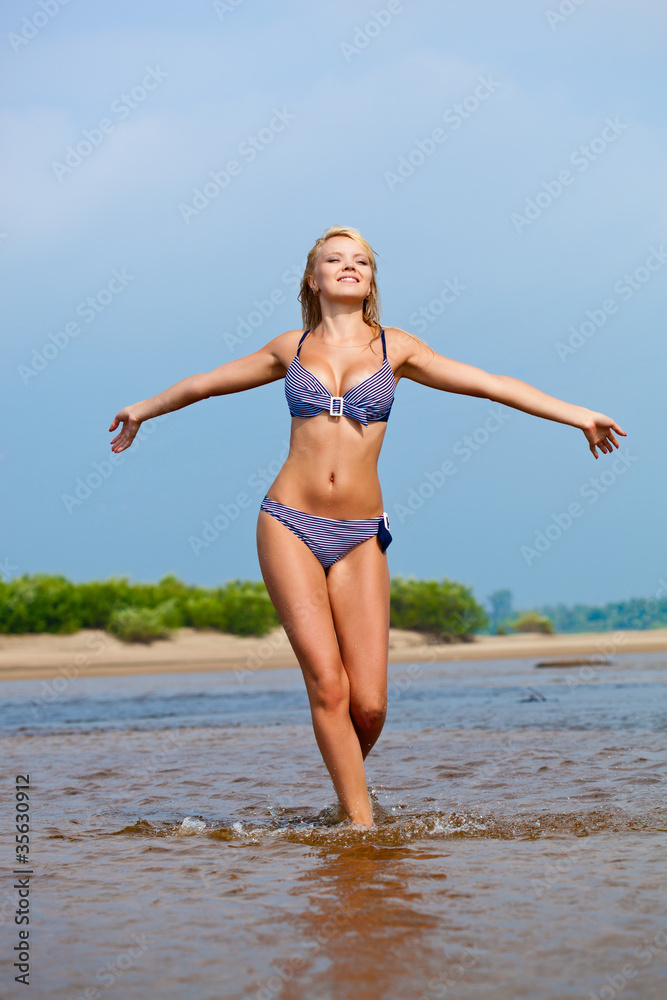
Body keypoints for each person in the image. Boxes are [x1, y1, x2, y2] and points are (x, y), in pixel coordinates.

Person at [109, 224, 626, 829]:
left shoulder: (395, 348)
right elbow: (205, 384)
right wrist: (142, 409)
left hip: (359, 534)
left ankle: (342, 808)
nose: (349, 266)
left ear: (372, 279)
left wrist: (577, 416)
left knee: (370, 706)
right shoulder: (290, 348)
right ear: (313, 278)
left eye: (361, 260)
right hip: (288, 522)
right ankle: (361, 828)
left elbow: (492, 386)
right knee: (328, 686)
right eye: (334, 259)